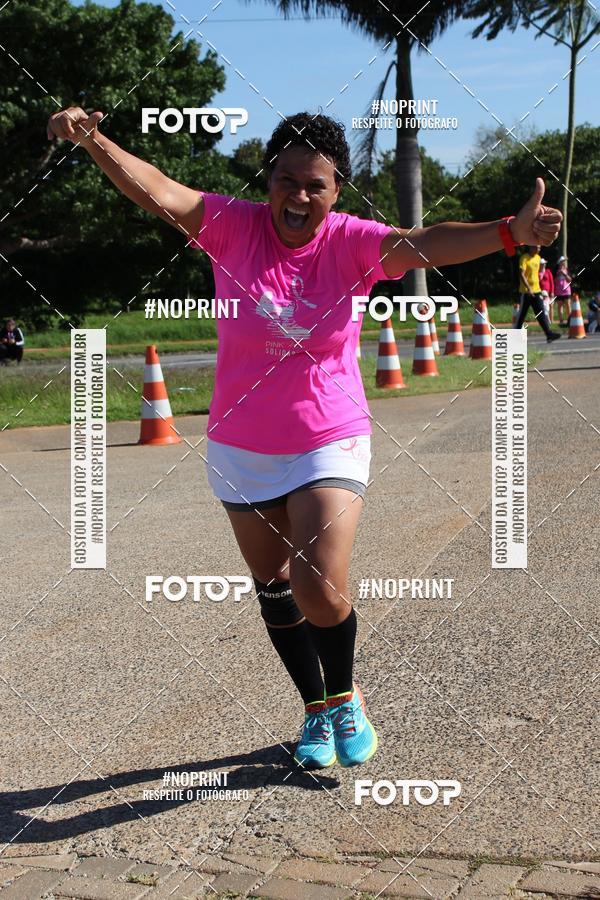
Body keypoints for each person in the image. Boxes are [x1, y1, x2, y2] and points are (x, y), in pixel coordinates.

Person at [46, 106, 562, 769]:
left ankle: (346, 698)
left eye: (314, 184)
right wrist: (91, 138)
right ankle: (317, 711)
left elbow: (426, 241)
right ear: (269, 182)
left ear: (337, 190)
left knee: (318, 583)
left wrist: (506, 233)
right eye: (286, 179)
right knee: (273, 586)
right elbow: (157, 189)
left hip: (328, 434)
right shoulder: (231, 227)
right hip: (240, 444)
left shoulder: (351, 241)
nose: (298, 195)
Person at [554, 256, 572, 327]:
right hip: (559, 291)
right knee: (560, 306)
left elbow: (570, 280)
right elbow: (554, 280)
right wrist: (558, 274)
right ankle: (561, 320)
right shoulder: (556, 271)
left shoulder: (567, 270)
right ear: (559, 263)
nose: (564, 262)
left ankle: (569, 319)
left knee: (568, 305)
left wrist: (564, 274)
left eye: (564, 261)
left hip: (567, 291)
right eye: (562, 261)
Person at [538, 257, 555, 324]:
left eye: (544, 264)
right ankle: (545, 321)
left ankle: (551, 320)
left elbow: (552, 282)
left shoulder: (548, 271)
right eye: (542, 264)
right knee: (543, 307)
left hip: (548, 292)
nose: (543, 265)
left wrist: (552, 292)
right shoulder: (537, 272)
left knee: (550, 306)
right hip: (541, 292)